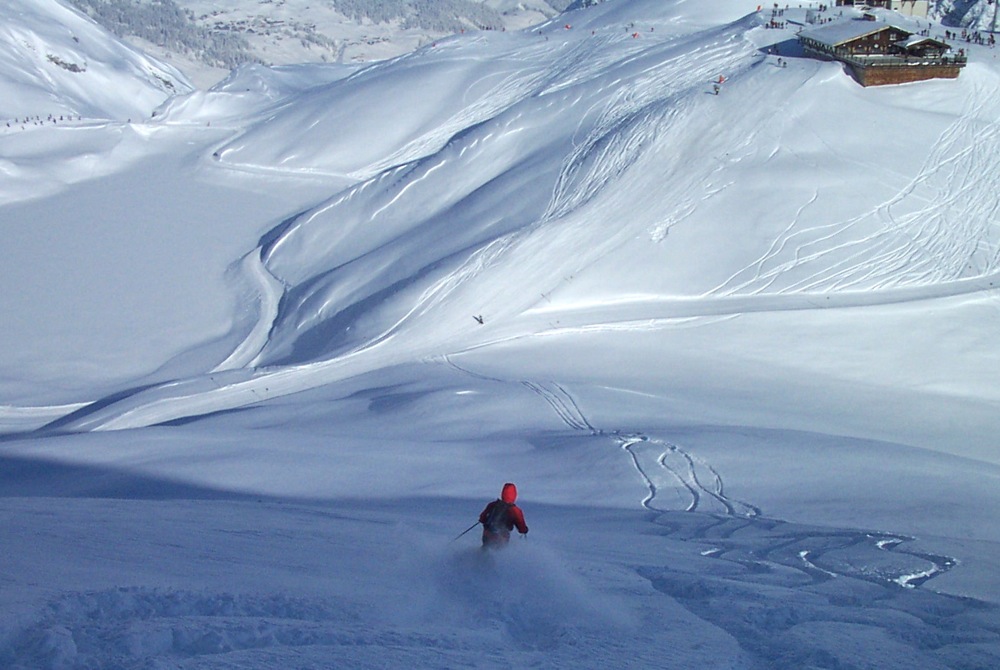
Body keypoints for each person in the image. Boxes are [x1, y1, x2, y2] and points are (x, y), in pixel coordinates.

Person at [479, 482, 528, 548]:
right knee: (498, 553)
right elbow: (521, 527)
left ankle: (476, 558)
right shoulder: (515, 510)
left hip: (488, 533)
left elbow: (482, 518)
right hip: (502, 536)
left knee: (485, 549)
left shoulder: (493, 505)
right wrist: (524, 530)